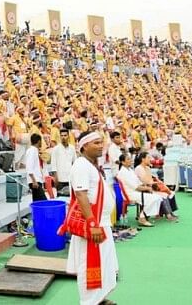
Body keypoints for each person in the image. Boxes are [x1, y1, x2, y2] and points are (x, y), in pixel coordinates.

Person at [65, 131, 118, 305]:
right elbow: (81, 195)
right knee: (90, 266)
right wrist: (93, 224)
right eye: (96, 143)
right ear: (84, 146)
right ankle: (89, 302)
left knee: (104, 264)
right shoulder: (81, 165)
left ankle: (99, 299)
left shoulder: (91, 165)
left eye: (101, 142)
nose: (101, 145)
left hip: (102, 224)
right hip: (94, 226)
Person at [116, 153, 162, 227]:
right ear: (123, 162)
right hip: (130, 194)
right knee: (155, 198)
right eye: (128, 159)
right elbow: (136, 187)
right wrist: (147, 188)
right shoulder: (122, 173)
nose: (130, 160)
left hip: (135, 192)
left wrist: (145, 186)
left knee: (158, 197)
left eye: (130, 158)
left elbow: (138, 182)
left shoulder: (130, 170)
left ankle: (143, 215)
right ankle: (142, 217)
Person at [134, 152, 178, 221]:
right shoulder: (139, 168)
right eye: (148, 158)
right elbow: (146, 181)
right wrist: (155, 182)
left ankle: (170, 213)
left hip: (151, 187)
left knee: (169, 193)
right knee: (163, 195)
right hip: (144, 189)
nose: (150, 159)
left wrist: (155, 180)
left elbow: (150, 180)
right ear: (143, 159)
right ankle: (168, 215)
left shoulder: (147, 168)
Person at [50, 127, 76, 193]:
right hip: (60, 179)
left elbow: (75, 163)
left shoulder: (72, 148)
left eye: (65, 135)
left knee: (71, 199)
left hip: (71, 178)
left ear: (68, 136)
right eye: (61, 136)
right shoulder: (56, 149)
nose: (63, 137)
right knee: (61, 198)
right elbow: (53, 165)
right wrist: (55, 178)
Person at [25, 133, 47, 201]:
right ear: (39, 141)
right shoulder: (32, 151)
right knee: (44, 202)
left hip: (36, 180)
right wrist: (34, 181)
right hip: (35, 181)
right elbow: (29, 166)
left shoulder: (34, 150)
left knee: (37, 202)